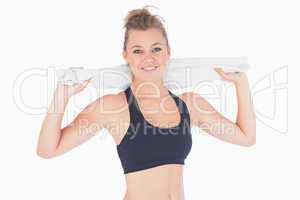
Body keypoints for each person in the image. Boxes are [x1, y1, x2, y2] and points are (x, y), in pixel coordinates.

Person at [36, 6, 256, 200]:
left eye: (156, 49)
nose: (148, 58)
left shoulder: (190, 105)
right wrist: (62, 94)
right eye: (137, 51)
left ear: (168, 52)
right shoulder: (114, 107)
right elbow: (48, 150)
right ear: (126, 55)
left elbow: (246, 138)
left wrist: (241, 83)